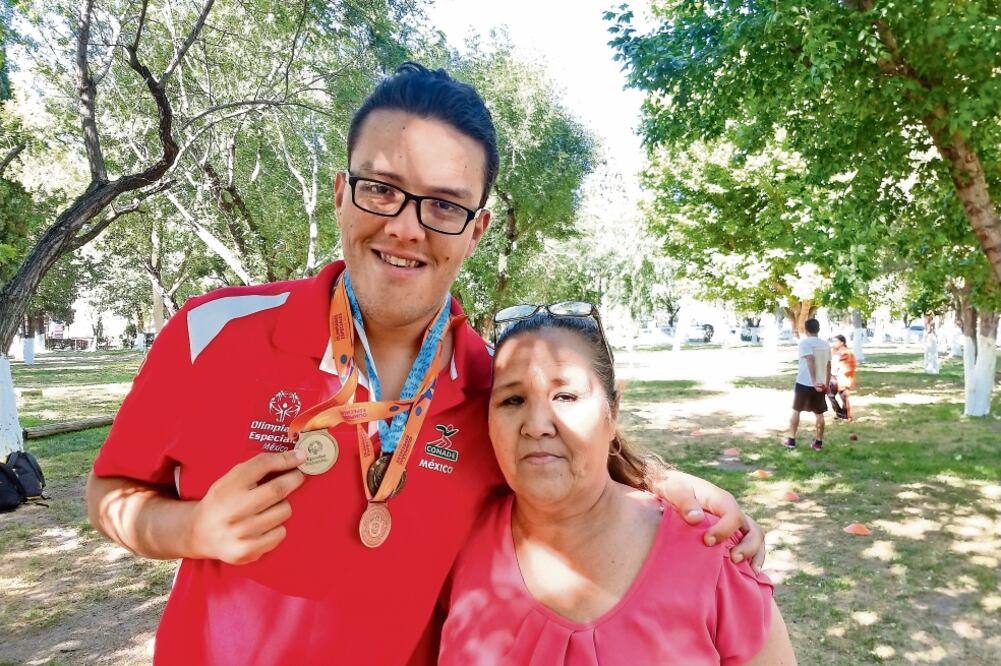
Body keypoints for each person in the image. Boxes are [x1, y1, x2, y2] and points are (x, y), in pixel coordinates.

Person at [85, 63, 764, 665]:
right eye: (381, 189)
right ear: (340, 193)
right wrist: (192, 529)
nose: (406, 227)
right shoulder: (212, 332)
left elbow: (567, 473)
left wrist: (670, 491)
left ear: (476, 230)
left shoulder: (493, 392)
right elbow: (110, 490)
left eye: (443, 205)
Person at [439, 306, 796, 665]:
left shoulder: (711, 553)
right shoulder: (455, 545)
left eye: (565, 396)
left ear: (613, 411)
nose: (536, 425)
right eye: (512, 400)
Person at [783, 318, 831, 450]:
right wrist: (826, 384)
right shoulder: (825, 345)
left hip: (804, 382)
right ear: (818, 329)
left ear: (806, 329)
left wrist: (813, 381)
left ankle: (791, 440)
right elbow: (828, 366)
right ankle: (818, 443)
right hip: (820, 384)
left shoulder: (804, 343)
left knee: (796, 410)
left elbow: (810, 360)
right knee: (819, 414)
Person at [828, 334, 857, 420]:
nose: (834, 343)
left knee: (844, 397)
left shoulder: (847, 353)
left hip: (843, 378)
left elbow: (849, 366)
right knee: (830, 394)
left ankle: (847, 416)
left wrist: (841, 370)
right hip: (833, 376)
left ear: (842, 342)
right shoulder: (833, 352)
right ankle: (838, 412)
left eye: (836, 341)